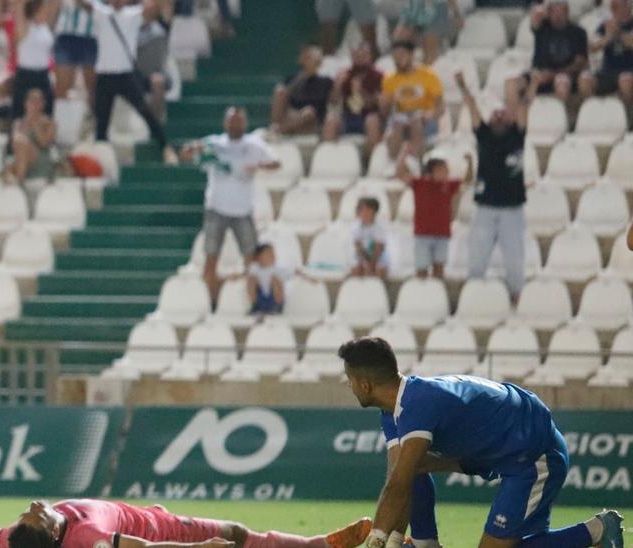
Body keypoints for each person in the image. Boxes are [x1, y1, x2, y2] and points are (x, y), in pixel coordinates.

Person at [337, 336, 627, 548]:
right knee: (412, 469)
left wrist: (377, 540)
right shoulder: (393, 413)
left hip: (535, 456)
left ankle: (598, 529)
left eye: (349, 379)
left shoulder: (418, 404)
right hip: (507, 456)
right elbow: (403, 475)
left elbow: (397, 484)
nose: (347, 385)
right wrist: (397, 539)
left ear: (365, 384)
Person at [0, 499, 372, 548]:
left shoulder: (17, 538)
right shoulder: (86, 538)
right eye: (37, 512)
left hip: (143, 517)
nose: (33, 505)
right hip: (158, 529)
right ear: (52, 530)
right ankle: (317, 545)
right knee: (233, 534)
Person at [179, 107, 280, 302]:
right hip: (216, 209)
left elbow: (276, 162)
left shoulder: (254, 144)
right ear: (225, 123)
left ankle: (248, 301)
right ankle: (212, 302)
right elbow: (187, 153)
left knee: (250, 260)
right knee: (211, 258)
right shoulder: (214, 143)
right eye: (232, 121)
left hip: (243, 210)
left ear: (245, 123)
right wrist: (191, 149)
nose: (235, 124)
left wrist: (257, 166)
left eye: (239, 121)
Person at [456, 70, 530, 302]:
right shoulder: (484, 135)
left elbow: (525, 107)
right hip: (485, 207)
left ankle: (517, 296)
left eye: (502, 114)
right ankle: (472, 295)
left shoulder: (517, 135)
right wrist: (463, 87)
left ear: (510, 119)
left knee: (515, 257)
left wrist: (530, 88)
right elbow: (472, 107)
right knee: (477, 254)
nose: (498, 117)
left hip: (512, 208)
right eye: (494, 114)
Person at [87, 0, 174, 163]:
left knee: (145, 112)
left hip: (125, 75)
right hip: (104, 76)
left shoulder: (133, 15)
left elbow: (155, 7)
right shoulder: (101, 12)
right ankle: (102, 161)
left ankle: (165, 147)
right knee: (101, 122)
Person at [396, 144, 474, 279]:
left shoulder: (449, 185)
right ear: (432, 171)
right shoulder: (419, 184)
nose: (446, 172)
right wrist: (403, 154)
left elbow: (467, 181)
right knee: (421, 271)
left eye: (446, 170)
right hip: (423, 235)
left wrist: (470, 163)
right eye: (442, 169)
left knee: (439, 271)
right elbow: (400, 174)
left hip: (442, 234)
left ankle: (437, 296)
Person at [382, 40, 443, 158]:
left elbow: (440, 106)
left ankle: (415, 162)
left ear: (411, 55)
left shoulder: (428, 75)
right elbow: (385, 111)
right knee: (397, 124)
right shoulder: (390, 79)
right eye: (395, 57)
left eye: (401, 55)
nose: (397, 60)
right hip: (400, 117)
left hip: (425, 119)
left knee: (416, 122)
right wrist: (386, 103)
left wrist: (430, 114)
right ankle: (394, 163)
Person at [325, 44, 383, 150]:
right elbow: (333, 101)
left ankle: (371, 160)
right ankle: (329, 157)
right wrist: (337, 86)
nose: (360, 58)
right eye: (356, 55)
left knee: (372, 121)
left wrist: (361, 91)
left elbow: (377, 103)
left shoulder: (378, 76)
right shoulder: (345, 74)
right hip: (348, 117)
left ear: (369, 56)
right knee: (331, 121)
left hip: (368, 117)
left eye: (363, 55)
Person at [271, 44, 334, 138]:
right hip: (293, 116)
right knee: (280, 91)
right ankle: (277, 127)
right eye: (307, 58)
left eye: (311, 58)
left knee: (308, 112)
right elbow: (284, 96)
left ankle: (278, 131)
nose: (309, 61)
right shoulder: (293, 79)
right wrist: (302, 77)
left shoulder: (325, 81)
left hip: (313, 120)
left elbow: (326, 103)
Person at [580, 0, 633, 106]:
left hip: (629, 70)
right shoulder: (606, 25)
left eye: (619, 6)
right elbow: (592, 47)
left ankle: (628, 116)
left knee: (625, 80)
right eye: (613, 7)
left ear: (628, 6)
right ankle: (593, 111)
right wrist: (608, 37)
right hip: (607, 71)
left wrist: (618, 33)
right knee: (585, 80)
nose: (616, 10)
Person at [12, 0, 58, 119]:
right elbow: (18, 5)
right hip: (26, 73)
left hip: (43, 73)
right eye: (43, 9)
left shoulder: (46, 27)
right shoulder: (25, 26)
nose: (46, 11)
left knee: (47, 108)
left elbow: (55, 3)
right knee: (20, 110)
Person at [9, 88, 58, 184]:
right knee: (21, 144)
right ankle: (20, 179)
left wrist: (36, 124)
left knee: (22, 144)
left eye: (38, 101)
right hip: (22, 158)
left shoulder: (50, 123)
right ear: (26, 103)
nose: (35, 104)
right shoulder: (18, 123)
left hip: (40, 159)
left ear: (43, 104)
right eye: (32, 100)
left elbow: (44, 143)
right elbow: (14, 143)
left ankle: (19, 182)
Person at [53, 0, 98, 101]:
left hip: (91, 37)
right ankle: (61, 115)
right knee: (62, 88)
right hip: (66, 35)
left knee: (93, 90)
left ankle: (92, 115)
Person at [393, 0, 462, 64]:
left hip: (436, 15)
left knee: (430, 52)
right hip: (419, 14)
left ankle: (432, 61)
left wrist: (456, 13)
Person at [351, 197, 388, 279]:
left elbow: (379, 248)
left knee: (379, 269)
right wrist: (366, 263)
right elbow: (358, 247)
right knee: (357, 269)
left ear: (374, 212)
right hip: (362, 256)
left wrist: (372, 263)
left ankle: (379, 289)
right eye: (362, 210)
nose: (364, 213)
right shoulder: (355, 228)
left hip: (379, 257)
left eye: (368, 211)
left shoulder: (380, 228)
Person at [247, 243, 285, 316]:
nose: (273, 256)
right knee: (251, 279)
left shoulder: (276, 269)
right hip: (259, 299)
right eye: (269, 254)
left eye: (273, 254)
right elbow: (245, 275)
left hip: (274, 299)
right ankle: (254, 306)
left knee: (275, 279)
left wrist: (308, 277)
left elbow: (294, 272)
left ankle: (277, 307)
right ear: (259, 257)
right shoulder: (254, 268)